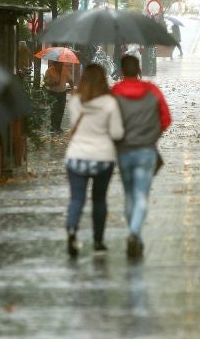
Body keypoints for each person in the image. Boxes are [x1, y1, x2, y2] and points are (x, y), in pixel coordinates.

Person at [112, 55, 171, 259]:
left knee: (129, 194)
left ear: (121, 71)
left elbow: (109, 120)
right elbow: (166, 118)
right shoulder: (152, 91)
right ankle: (134, 234)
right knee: (141, 195)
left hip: (123, 151)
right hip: (146, 150)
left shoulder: (115, 92)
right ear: (139, 70)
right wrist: (153, 135)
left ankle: (133, 233)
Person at [64, 64, 124, 257]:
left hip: (77, 155)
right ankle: (98, 241)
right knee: (99, 199)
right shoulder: (109, 103)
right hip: (102, 157)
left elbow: (74, 125)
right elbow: (117, 132)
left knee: (77, 198)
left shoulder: (75, 101)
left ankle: (72, 230)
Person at [44, 60, 73, 133]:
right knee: (54, 110)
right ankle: (53, 127)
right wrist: (53, 83)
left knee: (61, 110)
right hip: (53, 93)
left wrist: (72, 88)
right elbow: (46, 83)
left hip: (62, 93)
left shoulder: (64, 69)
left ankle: (58, 126)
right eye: (59, 65)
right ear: (55, 64)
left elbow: (70, 79)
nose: (60, 66)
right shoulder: (49, 71)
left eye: (61, 64)